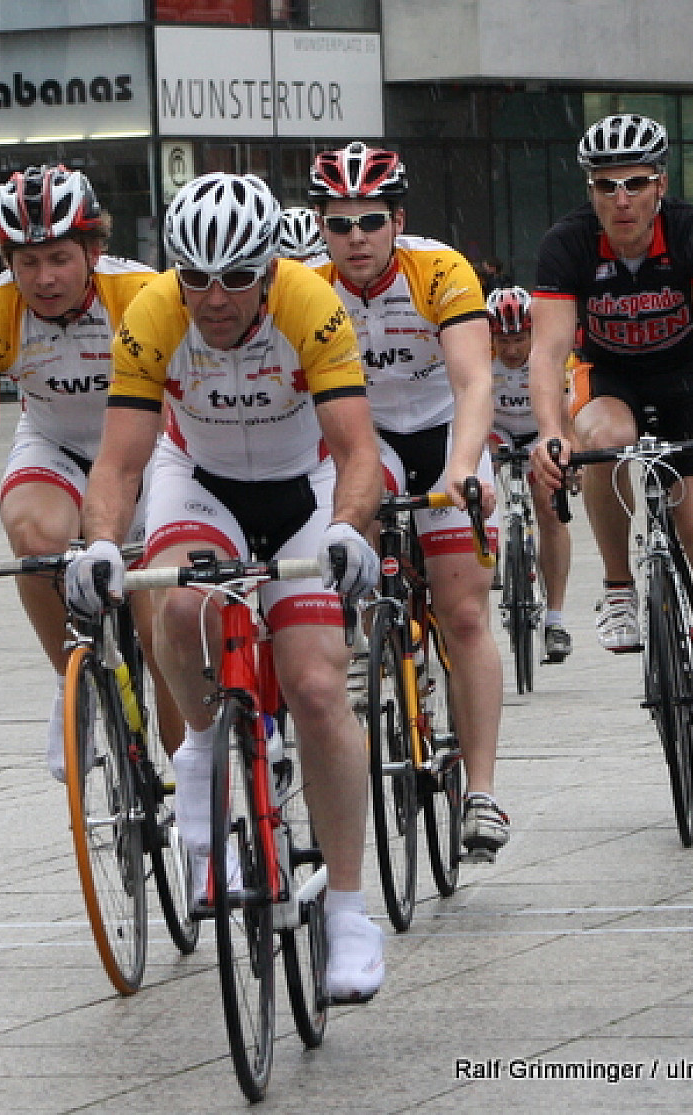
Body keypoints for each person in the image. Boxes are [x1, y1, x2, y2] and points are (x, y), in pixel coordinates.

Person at [63, 172, 386, 1003]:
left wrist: (350, 526)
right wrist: (99, 542)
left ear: (269, 268)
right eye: (196, 276)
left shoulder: (311, 303)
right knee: (180, 605)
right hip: (200, 479)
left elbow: (357, 449)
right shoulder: (153, 313)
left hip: (304, 485)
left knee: (318, 688)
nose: (213, 298)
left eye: (236, 277)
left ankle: (349, 912)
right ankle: (202, 747)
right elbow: (121, 461)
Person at [529, 113, 693, 783]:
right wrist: (550, 430)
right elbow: (547, 350)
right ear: (591, 190)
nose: (621, 199)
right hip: (611, 380)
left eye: (634, 183)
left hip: (690, 381)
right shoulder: (568, 243)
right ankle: (618, 586)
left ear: (660, 183)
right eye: (606, 186)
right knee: (605, 441)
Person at [0, 164, 178, 782]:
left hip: (146, 451)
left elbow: (183, 408)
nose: (44, 278)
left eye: (60, 258)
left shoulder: (143, 294)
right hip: (55, 444)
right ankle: (74, 680)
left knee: (163, 638)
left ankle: (197, 790)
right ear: (8, 261)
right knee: (34, 537)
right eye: (28, 261)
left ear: (94, 251)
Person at [308, 141, 510, 859]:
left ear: (398, 220)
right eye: (339, 224)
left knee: (463, 613)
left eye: (371, 220)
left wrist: (463, 469)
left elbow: (473, 382)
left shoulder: (440, 270)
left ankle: (480, 791)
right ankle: (378, 643)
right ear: (322, 228)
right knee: (349, 535)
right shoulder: (308, 284)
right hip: (367, 442)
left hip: (442, 433)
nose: (356, 237)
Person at [486, 286, 572, 662]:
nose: (511, 350)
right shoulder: (481, 359)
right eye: (503, 341)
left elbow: (567, 415)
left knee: (549, 511)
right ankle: (488, 548)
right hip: (498, 432)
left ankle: (555, 619)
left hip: (540, 432)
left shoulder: (549, 358)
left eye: (519, 339)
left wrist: (572, 458)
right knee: (479, 478)